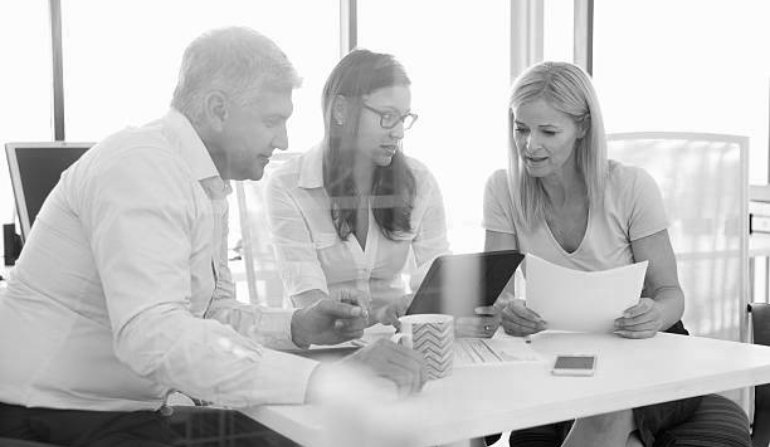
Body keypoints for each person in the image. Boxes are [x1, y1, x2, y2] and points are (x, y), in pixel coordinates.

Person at [0, 27, 425, 447]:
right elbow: (153, 335)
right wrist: (330, 378)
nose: (284, 140)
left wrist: (297, 325)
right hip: (51, 417)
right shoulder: (141, 167)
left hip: (114, 413)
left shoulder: (205, 185)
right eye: (272, 121)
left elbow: (208, 313)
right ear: (218, 109)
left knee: (316, 437)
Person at [483, 61, 750, 446]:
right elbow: (498, 294)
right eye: (520, 128)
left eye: (549, 131)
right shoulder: (503, 189)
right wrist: (510, 311)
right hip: (558, 356)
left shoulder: (630, 187)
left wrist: (654, 314)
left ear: (583, 128)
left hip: (645, 352)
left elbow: (671, 294)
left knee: (605, 413)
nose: (530, 144)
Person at [265, 49, 452, 328]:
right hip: (324, 344)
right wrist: (374, 316)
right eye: (387, 116)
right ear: (341, 109)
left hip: (397, 335)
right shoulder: (288, 186)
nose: (399, 133)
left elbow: (438, 277)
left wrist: (423, 301)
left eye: (403, 119)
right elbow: (309, 302)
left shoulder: (419, 180)